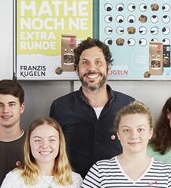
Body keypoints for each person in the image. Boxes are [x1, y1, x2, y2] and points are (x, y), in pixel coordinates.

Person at [50, 37, 134, 177]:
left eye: (98, 62)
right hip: (73, 187)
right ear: (77, 70)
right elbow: (52, 154)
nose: (92, 68)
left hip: (117, 187)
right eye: (85, 63)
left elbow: (138, 152)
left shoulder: (129, 106)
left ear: (108, 68)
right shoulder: (60, 107)